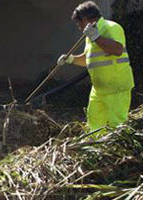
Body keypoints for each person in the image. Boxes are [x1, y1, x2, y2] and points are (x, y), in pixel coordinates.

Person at [57, 1, 135, 137]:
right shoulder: (90, 35)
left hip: (116, 88)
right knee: (94, 124)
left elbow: (117, 50)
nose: (79, 27)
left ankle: (117, 153)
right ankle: (96, 150)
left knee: (116, 126)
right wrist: (71, 59)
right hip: (99, 89)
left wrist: (96, 37)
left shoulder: (112, 28)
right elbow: (89, 60)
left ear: (88, 19)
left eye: (79, 23)